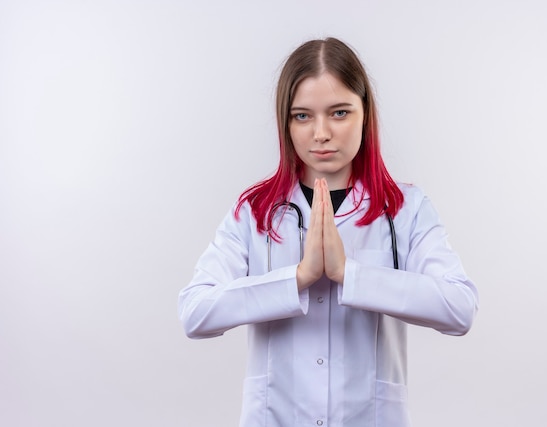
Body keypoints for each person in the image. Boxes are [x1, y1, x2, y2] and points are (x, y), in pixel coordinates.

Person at [178, 37, 478, 427]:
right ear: (284, 122)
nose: (321, 133)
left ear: (365, 114)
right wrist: (298, 278)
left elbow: (459, 308)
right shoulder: (255, 212)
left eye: (339, 112)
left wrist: (348, 274)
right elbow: (195, 313)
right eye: (302, 116)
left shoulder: (405, 209)